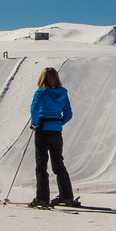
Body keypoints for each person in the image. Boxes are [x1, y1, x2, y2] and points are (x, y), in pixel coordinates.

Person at [29, 67, 77, 208]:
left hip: (42, 131)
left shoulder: (41, 92)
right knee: (58, 164)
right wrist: (58, 123)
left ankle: (42, 198)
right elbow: (68, 114)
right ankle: (66, 196)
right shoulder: (63, 93)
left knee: (41, 165)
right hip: (56, 132)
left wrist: (35, 124)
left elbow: (34, 109)